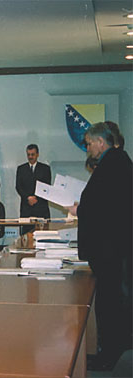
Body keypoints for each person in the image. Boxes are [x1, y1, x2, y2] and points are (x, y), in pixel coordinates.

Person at [68, 122, 132, 370]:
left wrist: (79, 209)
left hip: (111, 250)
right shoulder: (117, 162)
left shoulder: (113, 164)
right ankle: (110, 350)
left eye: (89, 143)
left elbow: (104, 207)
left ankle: (110, 356)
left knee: (111, 303)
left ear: (101, 143)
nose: (88, 148)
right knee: (110, 301)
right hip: (112, 248)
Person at [15, 144, 51, 220]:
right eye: (28, 155)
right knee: (26, 231)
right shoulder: (21, 169)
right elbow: (18, 186)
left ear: (37, 154)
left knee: (43, 231)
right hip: (26, 208)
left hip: (41, 208)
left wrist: (35, 198)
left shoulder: (45, 169)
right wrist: (28, 198)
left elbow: (47, 187)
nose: (30, 157)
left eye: (33, 154)